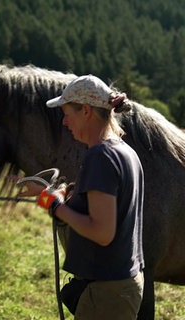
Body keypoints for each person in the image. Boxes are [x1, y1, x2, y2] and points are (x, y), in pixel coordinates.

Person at [14, 75, 145, 320]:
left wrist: (53, 205)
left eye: (67, 113)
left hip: (106, 292)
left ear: (85, 111)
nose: (64, 122)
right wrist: (51, 194)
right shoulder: (125, 151)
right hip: (122, 285)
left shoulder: (100, 156)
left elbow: (102, 232)